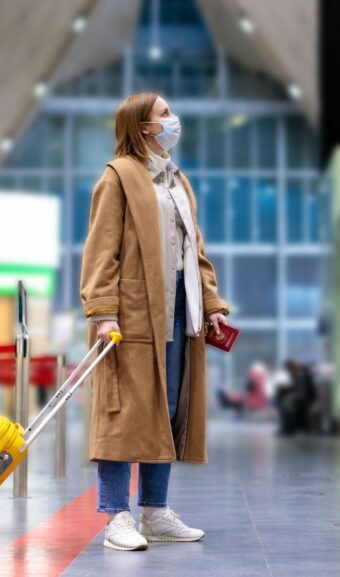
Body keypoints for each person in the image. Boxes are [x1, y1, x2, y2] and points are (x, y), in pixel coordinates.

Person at [80, 92, 231, 552]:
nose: (173, 119)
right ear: (143, 126)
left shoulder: (177, 182)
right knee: (123, 414)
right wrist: (103, 312)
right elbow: (101, 250)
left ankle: (155, 512)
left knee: (163, 413)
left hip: (176, 315)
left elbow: (196, 254)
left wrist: (212, 305)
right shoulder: (118, 176)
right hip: (131, 317)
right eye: (164, 113)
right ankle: (115, 517)